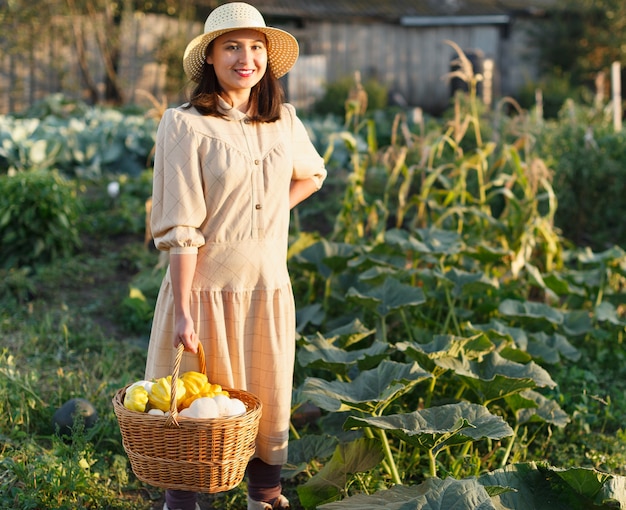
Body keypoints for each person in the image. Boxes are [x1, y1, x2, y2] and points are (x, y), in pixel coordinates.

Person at [143, 3, 327, 510]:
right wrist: (182, 310)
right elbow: (182, 229)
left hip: (266, 285)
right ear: (210, 57)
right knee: (195, 408)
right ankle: (181, 503)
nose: (245, 58)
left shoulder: (283, 121)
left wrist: (266, 214)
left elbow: (313, 174)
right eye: (232, 47)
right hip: (204, 288)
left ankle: (265, 498)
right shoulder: (184, 124)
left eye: (255, 47)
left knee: (266, 402)